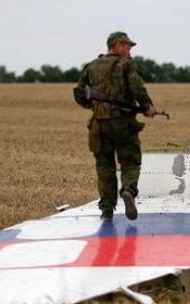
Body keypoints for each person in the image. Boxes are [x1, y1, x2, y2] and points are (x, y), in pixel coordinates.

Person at [73, 31, 157, 221]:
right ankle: (128, 190)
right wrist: (147, 107)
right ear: (118, 46)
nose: (129, 51)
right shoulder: (126, 64)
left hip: (99, 125)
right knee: (130, 161)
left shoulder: (91, 66)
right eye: (127, 47)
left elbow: (79, 92)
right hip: (123, 123)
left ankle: (107, 211)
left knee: (105, 169)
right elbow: (137, 87)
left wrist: (94, 106)